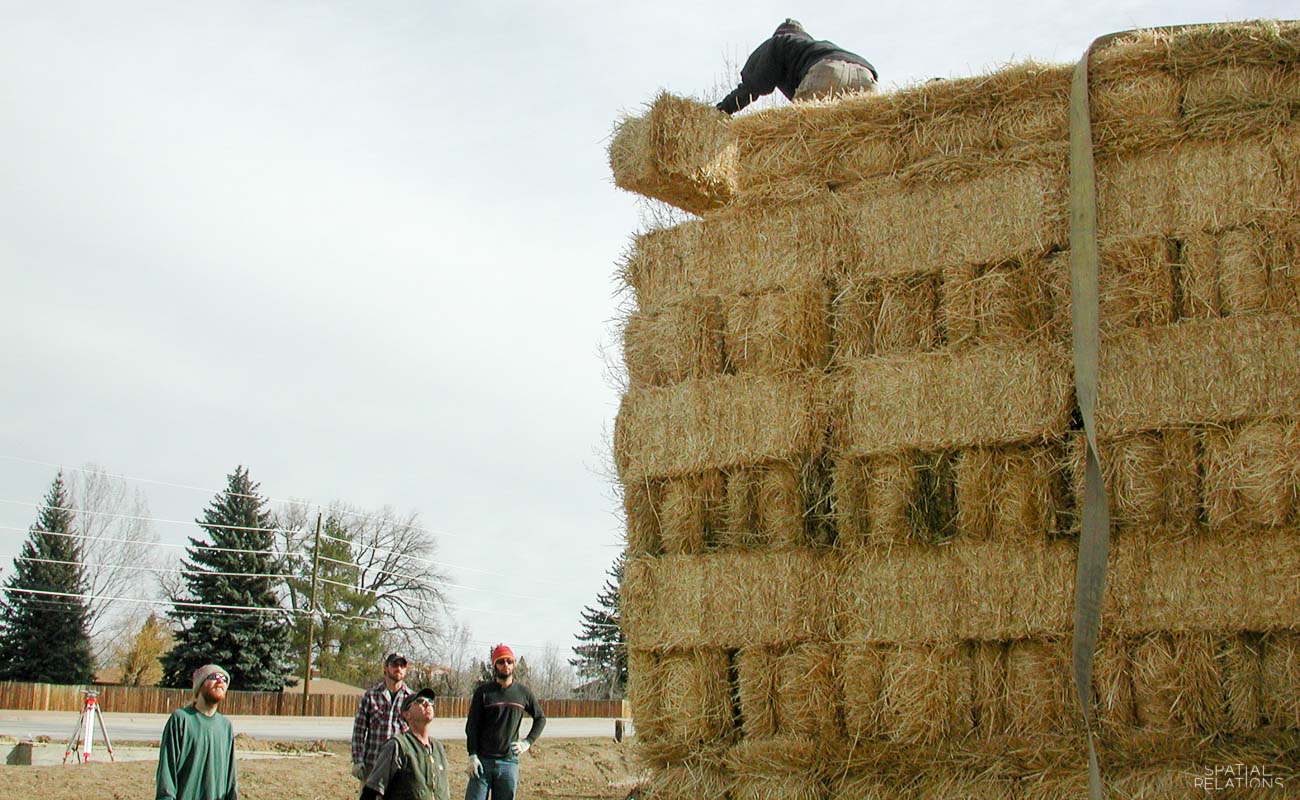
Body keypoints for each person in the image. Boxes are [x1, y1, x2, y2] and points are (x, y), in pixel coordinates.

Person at [716, 19, 878, 115]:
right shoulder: (814, 47)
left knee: (801, 137)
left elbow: (755, 83)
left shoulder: (780, 41)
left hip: (827, 70)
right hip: (866, 74)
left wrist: (723, 109)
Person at [464, 644, 547, 800]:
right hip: (483, 761)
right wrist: (472, 755)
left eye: (509, 661)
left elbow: (540, 718)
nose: (506, 665)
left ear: (514, 664)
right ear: (495, 665)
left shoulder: (523, 693)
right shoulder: (483, 692)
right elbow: (472, 726)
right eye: (501, 662)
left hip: (509, 762)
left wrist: (527, 742)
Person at [155, 664, 238, 800]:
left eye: (224, 679)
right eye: (214, 677)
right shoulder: (181, 719)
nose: (220, 681)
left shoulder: (225, 726)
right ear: (199, 686)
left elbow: (231, 778)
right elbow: (167, 772)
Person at [360, 688, 451, 800]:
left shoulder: (438, 748)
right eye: (420, 701)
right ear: (406, 714)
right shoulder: (398, 745)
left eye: (430, 701)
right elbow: (372, 789)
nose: (427, 704)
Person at [352, 652, 416, 781]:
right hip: (373, 766)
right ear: (386, 668)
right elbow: (359, 731)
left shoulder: (412, 699)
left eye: (402, 666)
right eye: (395, 665)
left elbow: (416, 734)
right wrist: (358, 761)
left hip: (400, 768)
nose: (399, 668)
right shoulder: (371, 696)